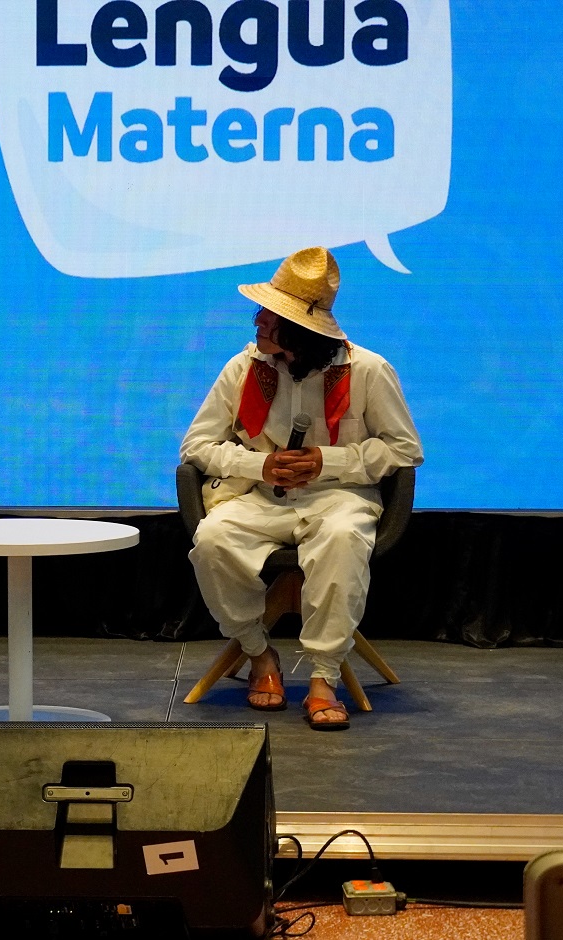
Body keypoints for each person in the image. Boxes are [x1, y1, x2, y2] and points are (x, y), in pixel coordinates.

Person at [181, 246, 422, 730]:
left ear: (300, 330)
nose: (258, 321)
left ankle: (323, 678)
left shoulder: (367, 370)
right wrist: (261, 466)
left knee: (343, 539)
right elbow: (197, 446)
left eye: (271, 316)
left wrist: (326, 462)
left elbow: (403, 449)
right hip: (260, 497)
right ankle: (259, 655)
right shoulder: (244, 368)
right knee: (212, 541)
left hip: (339, 499)